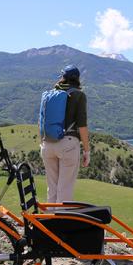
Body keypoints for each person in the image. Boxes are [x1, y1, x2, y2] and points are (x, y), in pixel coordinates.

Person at [40, 65, 90, 203]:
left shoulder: (50, 95)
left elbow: (42, 119)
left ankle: (50, 223)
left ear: (62, 78)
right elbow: (82, 126)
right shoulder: (78, 95)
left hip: (47, 144)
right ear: (78, 79)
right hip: (68, 144)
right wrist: (87, 151)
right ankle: (62, 223)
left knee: (52, 188)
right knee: (65, 189)